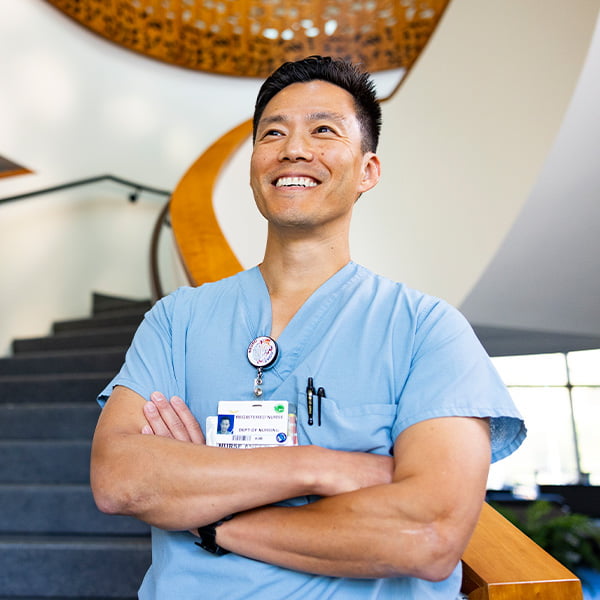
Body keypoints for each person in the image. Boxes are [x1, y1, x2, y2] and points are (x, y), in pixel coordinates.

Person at [91, 55, 526, 599]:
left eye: (324, 130)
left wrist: (211, 521)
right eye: (273, 133)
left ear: (368, 170)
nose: (294, 149)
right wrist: (319, 468)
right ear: (255, 164)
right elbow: (119, 479)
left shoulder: (428, 330)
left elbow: (427, 532)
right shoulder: (177, 319)